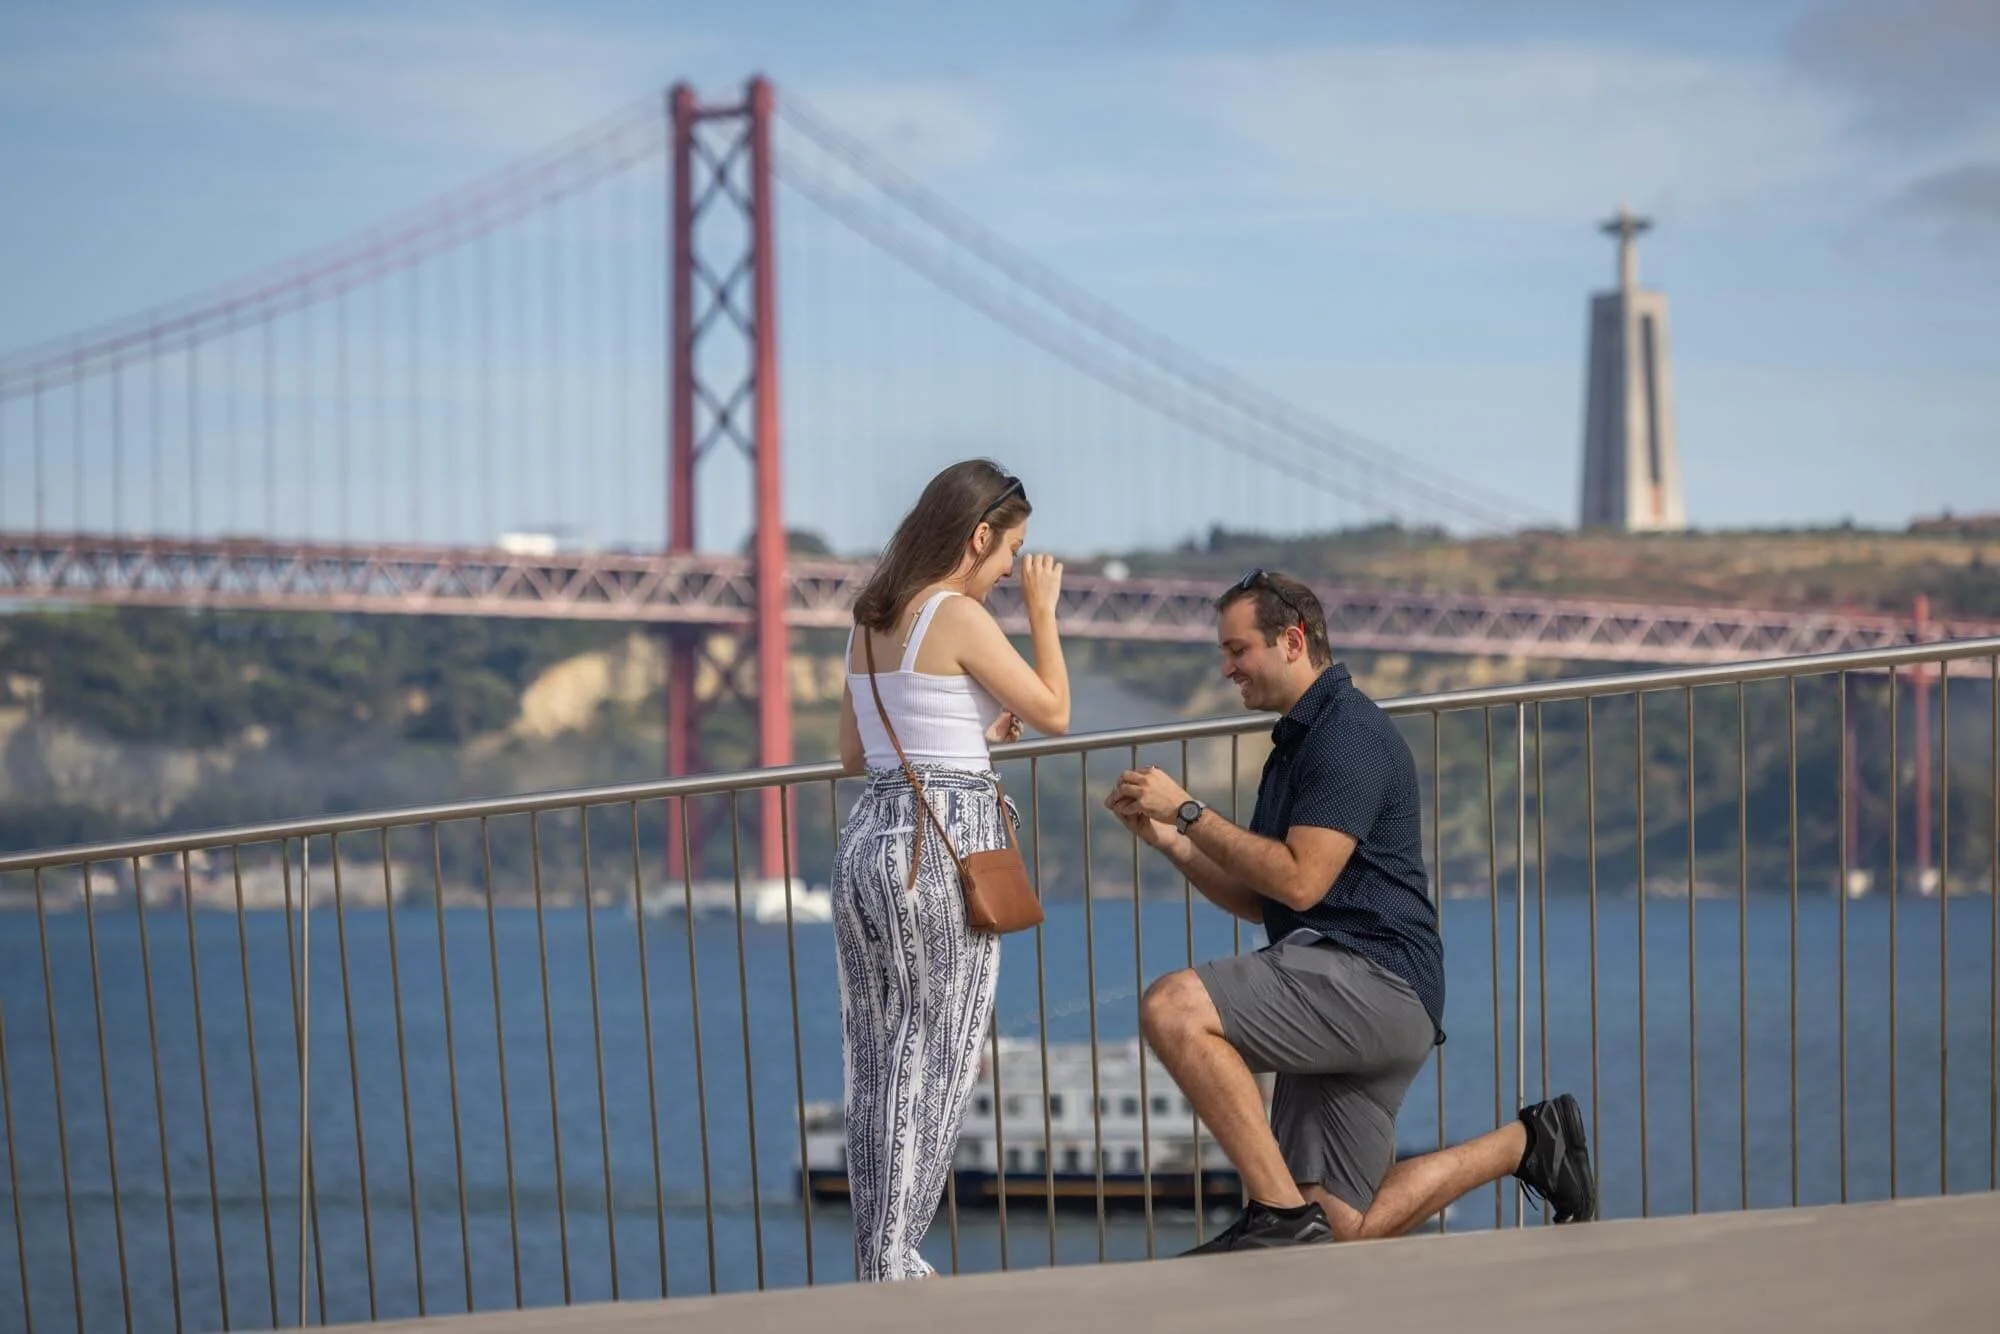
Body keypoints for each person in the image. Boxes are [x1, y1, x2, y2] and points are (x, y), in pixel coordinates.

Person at [1105, 568, 1596, 1253]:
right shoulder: (1296, 745)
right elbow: (1262, 896)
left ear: (1293, 640)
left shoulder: (1348, 736)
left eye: (1237, 650)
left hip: (1372, 981)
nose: (1226, 669)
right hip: (1355, 989)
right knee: (1337, 1228)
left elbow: (1302, 882)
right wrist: (1174, 842)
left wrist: (1190, 810)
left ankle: (1273, 1213)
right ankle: (1526, 1144)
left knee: (1173, 1008)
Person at [831, 459, 1069, 1281]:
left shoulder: (871, 618)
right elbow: (1056, 710)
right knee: (942, 1044)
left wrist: (972, 736)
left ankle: (878, 1251)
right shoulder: (958, 615)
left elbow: (857, 752)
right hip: (944, 845)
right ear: (978, 536)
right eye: (1013, 550)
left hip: (870, 842)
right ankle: (894, 1258)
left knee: (876, 1051)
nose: (1012, 569)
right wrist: (1042, 615)